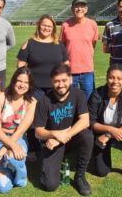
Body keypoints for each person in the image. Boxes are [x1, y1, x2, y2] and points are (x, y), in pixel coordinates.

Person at [34, 64, 93, 196]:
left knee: (87, 136)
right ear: (51, 81)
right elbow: (38, 131)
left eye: (64, 80)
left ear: (71, 79)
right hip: (51, 143)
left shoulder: (78, 94)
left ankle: (80, 175)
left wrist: (64, 135)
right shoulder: (44, 101)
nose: (61, 85)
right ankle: (53, 163)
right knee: (50, 185)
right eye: (57, 81)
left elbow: (85, 121)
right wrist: (55, 135)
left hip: (70, 139)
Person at [88, 64, 122, 183]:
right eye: (111, 78)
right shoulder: (98, 94)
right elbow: (90, 122)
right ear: (106, 78)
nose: (115, 82)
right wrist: (110, 131)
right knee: (102, 171)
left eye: (119, 78)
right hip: (102, 132)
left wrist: (110, 134)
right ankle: (95, 153)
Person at [0, 66, 37, 193]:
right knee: (0, 187)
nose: (22, 85)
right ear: (14, 81)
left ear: (30, 85)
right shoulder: (0, 97)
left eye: (26, 82)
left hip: (18, 138)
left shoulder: (31, 102)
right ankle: (8, 170)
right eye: (19, 81)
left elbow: (20, 131)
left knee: (15, 155)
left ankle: (20, 177)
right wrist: (7, 149)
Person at [17, 14, 69, 100]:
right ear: (39, 26)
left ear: (53, 29)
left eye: (49, 26)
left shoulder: (59, 45)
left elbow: (66, 65)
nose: (46, 28)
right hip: (35, 88)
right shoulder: (29, 43)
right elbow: (20, 66)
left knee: (53, 112)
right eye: (44, 25)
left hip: (55, 87)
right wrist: (25, 82)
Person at [60, 0, 99, 100]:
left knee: (88, 100)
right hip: (70, 70)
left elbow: (93, 44)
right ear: (72, 9)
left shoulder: (92, 25)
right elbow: (62, 46)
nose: (79, 9)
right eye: (76, 6)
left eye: (82, 6)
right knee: (70, 100)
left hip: (87, 71)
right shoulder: (65, 25)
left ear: (86, 9)